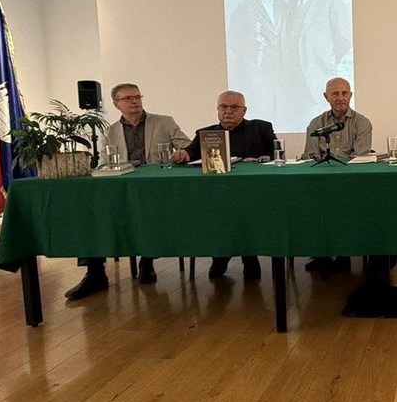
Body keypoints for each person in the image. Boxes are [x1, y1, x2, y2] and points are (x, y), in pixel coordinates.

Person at [64, 83, 193, 300]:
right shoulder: (109, 131)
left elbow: (188, 146)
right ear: (117, 104)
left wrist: (182, 153)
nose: (134, 101)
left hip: (155, 188)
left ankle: (147, 262)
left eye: (137, 97)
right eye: (128, 98)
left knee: (148, 211)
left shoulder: (164, 122)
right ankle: (95, 273)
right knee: (90, 214)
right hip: (122, 187)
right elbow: (103, 163)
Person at [186, 91, 276, 279]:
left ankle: (250, 257)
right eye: (223, 107)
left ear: (244, 110)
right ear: (217, 109)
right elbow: (190, 153)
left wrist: (260, 159)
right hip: (217, 194)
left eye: (234, 107)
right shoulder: (206, 133)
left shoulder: (261, 128)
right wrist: (182, 154)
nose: (228, 111)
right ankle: (220, 255)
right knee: (218, 213)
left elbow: (276, 154)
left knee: (245, 212)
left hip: (253, 192)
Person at [302, 77, 372, 275]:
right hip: (321, 181)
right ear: (326, 97)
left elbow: (360, 157)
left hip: (351, 181)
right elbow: (310, 156)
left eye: (344, 93)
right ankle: (321, 254)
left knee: (345, 205)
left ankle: (344, 253)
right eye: (335, 94)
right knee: (309, 203)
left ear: (350, 95)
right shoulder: (316, 123)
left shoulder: (362, 122)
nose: (340, 98)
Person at [282, 0, 354, 127]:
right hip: (294, 75)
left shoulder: (331, 1)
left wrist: (328, 58)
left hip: (318, 72)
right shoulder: (291, 3)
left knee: (322, 122)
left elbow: (344, 38)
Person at [227, 0, 287, 119]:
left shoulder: (283, 6)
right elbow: (234, 38)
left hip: (281, 69)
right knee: (262, 109)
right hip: (256, 70)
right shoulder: (245, 7)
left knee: (282, 110)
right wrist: (252, 59)